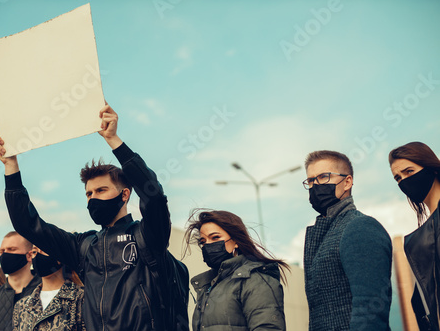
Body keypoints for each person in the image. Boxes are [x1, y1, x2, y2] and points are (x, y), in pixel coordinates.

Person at [0, 101, 188, 331]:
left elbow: (154, 197)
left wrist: (114, 141)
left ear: (125, 194)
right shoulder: (84, 247)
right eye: (88, 193)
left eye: (101, 190)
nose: (93, 198)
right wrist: (11, 166)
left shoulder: (148, 236)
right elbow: (27, 224)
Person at [302, 150, 392, 330]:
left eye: (324, 177)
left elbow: (370, 310)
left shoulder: (360, 227)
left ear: (347, 182)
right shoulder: (324, 234)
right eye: (311, 181)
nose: (315, 185)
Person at [184, 209, 287, 330]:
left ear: (236, 241)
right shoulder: (208, 287)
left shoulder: (256, 281)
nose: (208, 245)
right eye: (203, 241)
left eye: (215, 237)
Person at [389, 141, 440, 331]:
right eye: (397, 178)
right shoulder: (421, 236)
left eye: (409, 172)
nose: (403, 181)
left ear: (431, 169)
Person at [0, 232, 41, 331]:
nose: (5, 254)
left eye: (11, 249)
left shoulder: (47, 291)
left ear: (29, 255)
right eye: (2, 251)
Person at [13, 245, 85, 331]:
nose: (38, 255)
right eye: (35, 251)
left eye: (44, 250)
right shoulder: (22, 305)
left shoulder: (81, 298)